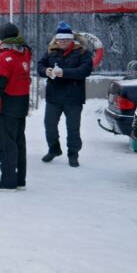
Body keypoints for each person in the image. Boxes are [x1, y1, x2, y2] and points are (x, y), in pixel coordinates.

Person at [0, 23, 32, 190]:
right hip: (22, 102)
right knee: (19, 142)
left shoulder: (2, 58)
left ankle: (8, 180)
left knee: (5, 144)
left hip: (6, 104)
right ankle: (20, 179)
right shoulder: (25, 52)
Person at [37, 22, 93, 167]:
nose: (61, 42)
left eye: (65, 40)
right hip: (53, 96)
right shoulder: (51, 51)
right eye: (59, 40)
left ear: (71, 40)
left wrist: (64, 73)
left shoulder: (83, 52)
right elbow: (40, 66)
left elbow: (85, 71)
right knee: (49, 125)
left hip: (73, 97)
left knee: (73, 128)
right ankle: (54, 149)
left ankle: (73, 154)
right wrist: (46, 71)